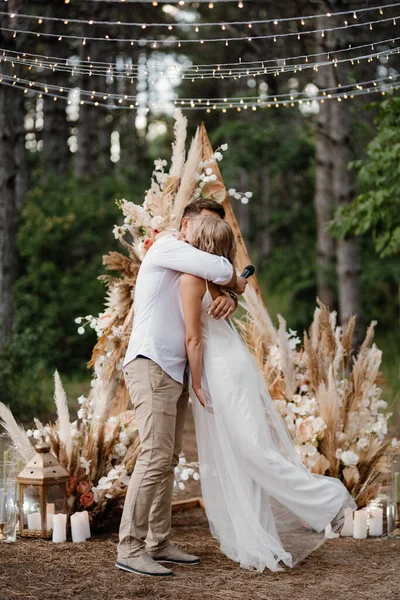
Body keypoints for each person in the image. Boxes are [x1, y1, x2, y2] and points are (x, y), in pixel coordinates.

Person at [180, 215, 357, 573]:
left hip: (223, 370)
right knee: (241, 460)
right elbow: (239, 283)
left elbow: (194, 338)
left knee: (253, 452)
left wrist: (196, 383)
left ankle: (330, 498)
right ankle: (258, 544)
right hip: (227, 367)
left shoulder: (196, 277)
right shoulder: (215, 275)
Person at [116, 199, 248, 578]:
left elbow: (215, 283)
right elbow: (222, 266)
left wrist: (231, 298)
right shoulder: (168, 245)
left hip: (173, 369)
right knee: (155, 456)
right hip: (151, 362)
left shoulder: (188, 259)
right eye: (205, 228)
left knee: (168, 458)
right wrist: (235, 281)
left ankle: (158, 541)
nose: (208, 237)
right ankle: (129, 547)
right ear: (186, 224)